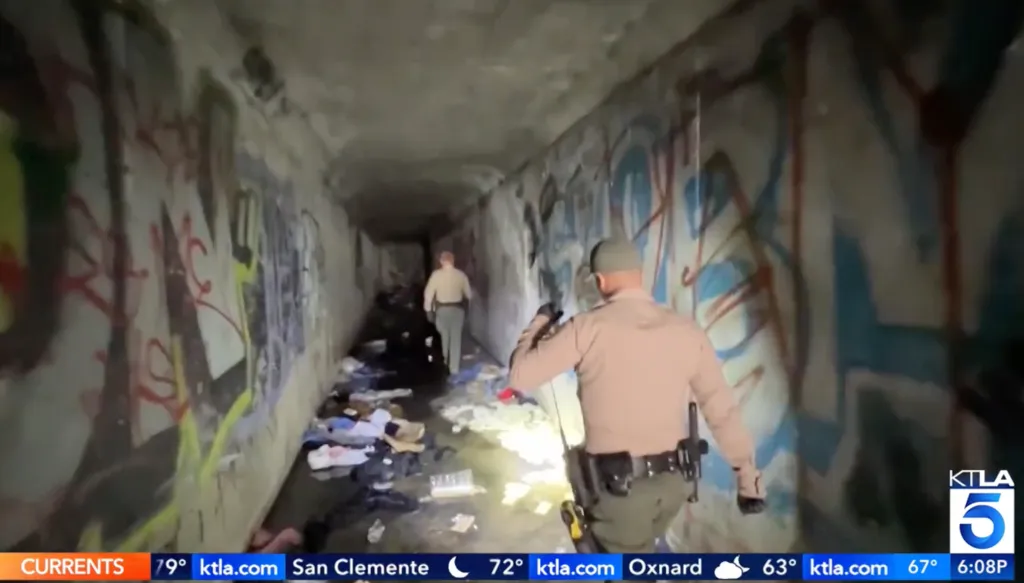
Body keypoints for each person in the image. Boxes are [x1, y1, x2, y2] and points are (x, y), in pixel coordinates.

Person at [507, 237, 765, 553]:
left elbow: (520, 376)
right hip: (676, 483)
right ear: (639, 274)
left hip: (620, 491)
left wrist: (540, 323)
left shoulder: (586, 327)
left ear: (600, 280)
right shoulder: (686, 330)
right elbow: (720, 408)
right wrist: (747, 476)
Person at [424, 251, 473, 375]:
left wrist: (428, 311)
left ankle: (443, 366)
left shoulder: (436, 275)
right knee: (456, 340)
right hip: (457, 310)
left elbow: (428, 295)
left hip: (442, 311)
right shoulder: (461, 275)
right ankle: (454, 370)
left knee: (443, 339)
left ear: (441, 261)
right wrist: (467, 310)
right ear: (453, 261)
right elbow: (469, 295)